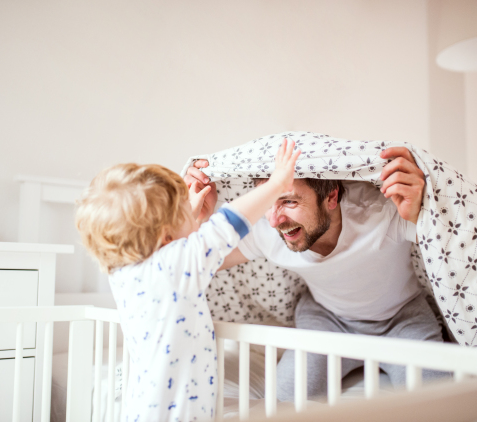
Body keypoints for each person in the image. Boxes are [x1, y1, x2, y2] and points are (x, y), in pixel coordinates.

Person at [185, 145, 449, 400]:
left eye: (288, 201)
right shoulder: (267, 231)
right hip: (327, 321)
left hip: (403, 319)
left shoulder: (382, 213)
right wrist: (196, 217)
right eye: (269, 202)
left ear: (331, 197)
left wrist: (423, 213)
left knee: (440, 404)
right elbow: (192, 261)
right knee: (284, 404)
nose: (276, 220)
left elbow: (450, 245)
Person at [75, 140, 301, 421]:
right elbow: (228, 224)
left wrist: (190, 218)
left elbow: (172, 247)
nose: (191, 212)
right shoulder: (172, 267)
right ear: (166, 237)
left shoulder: (124, 271)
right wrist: (278, 184)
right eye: (182, 209)